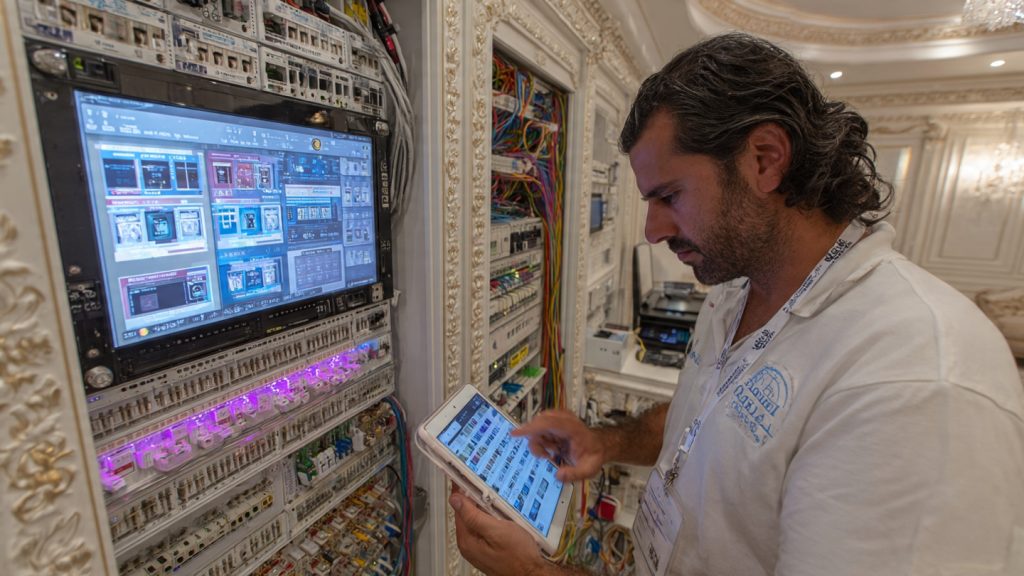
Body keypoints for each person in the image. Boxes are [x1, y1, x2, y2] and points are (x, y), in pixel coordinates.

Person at [450, 33, 1024, 576]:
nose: (651, 230)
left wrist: (528, 570)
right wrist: (607, 442)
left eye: (668, 196)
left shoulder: (916, 378)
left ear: (766, 160)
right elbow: (700, 422)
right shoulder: (736, 288)